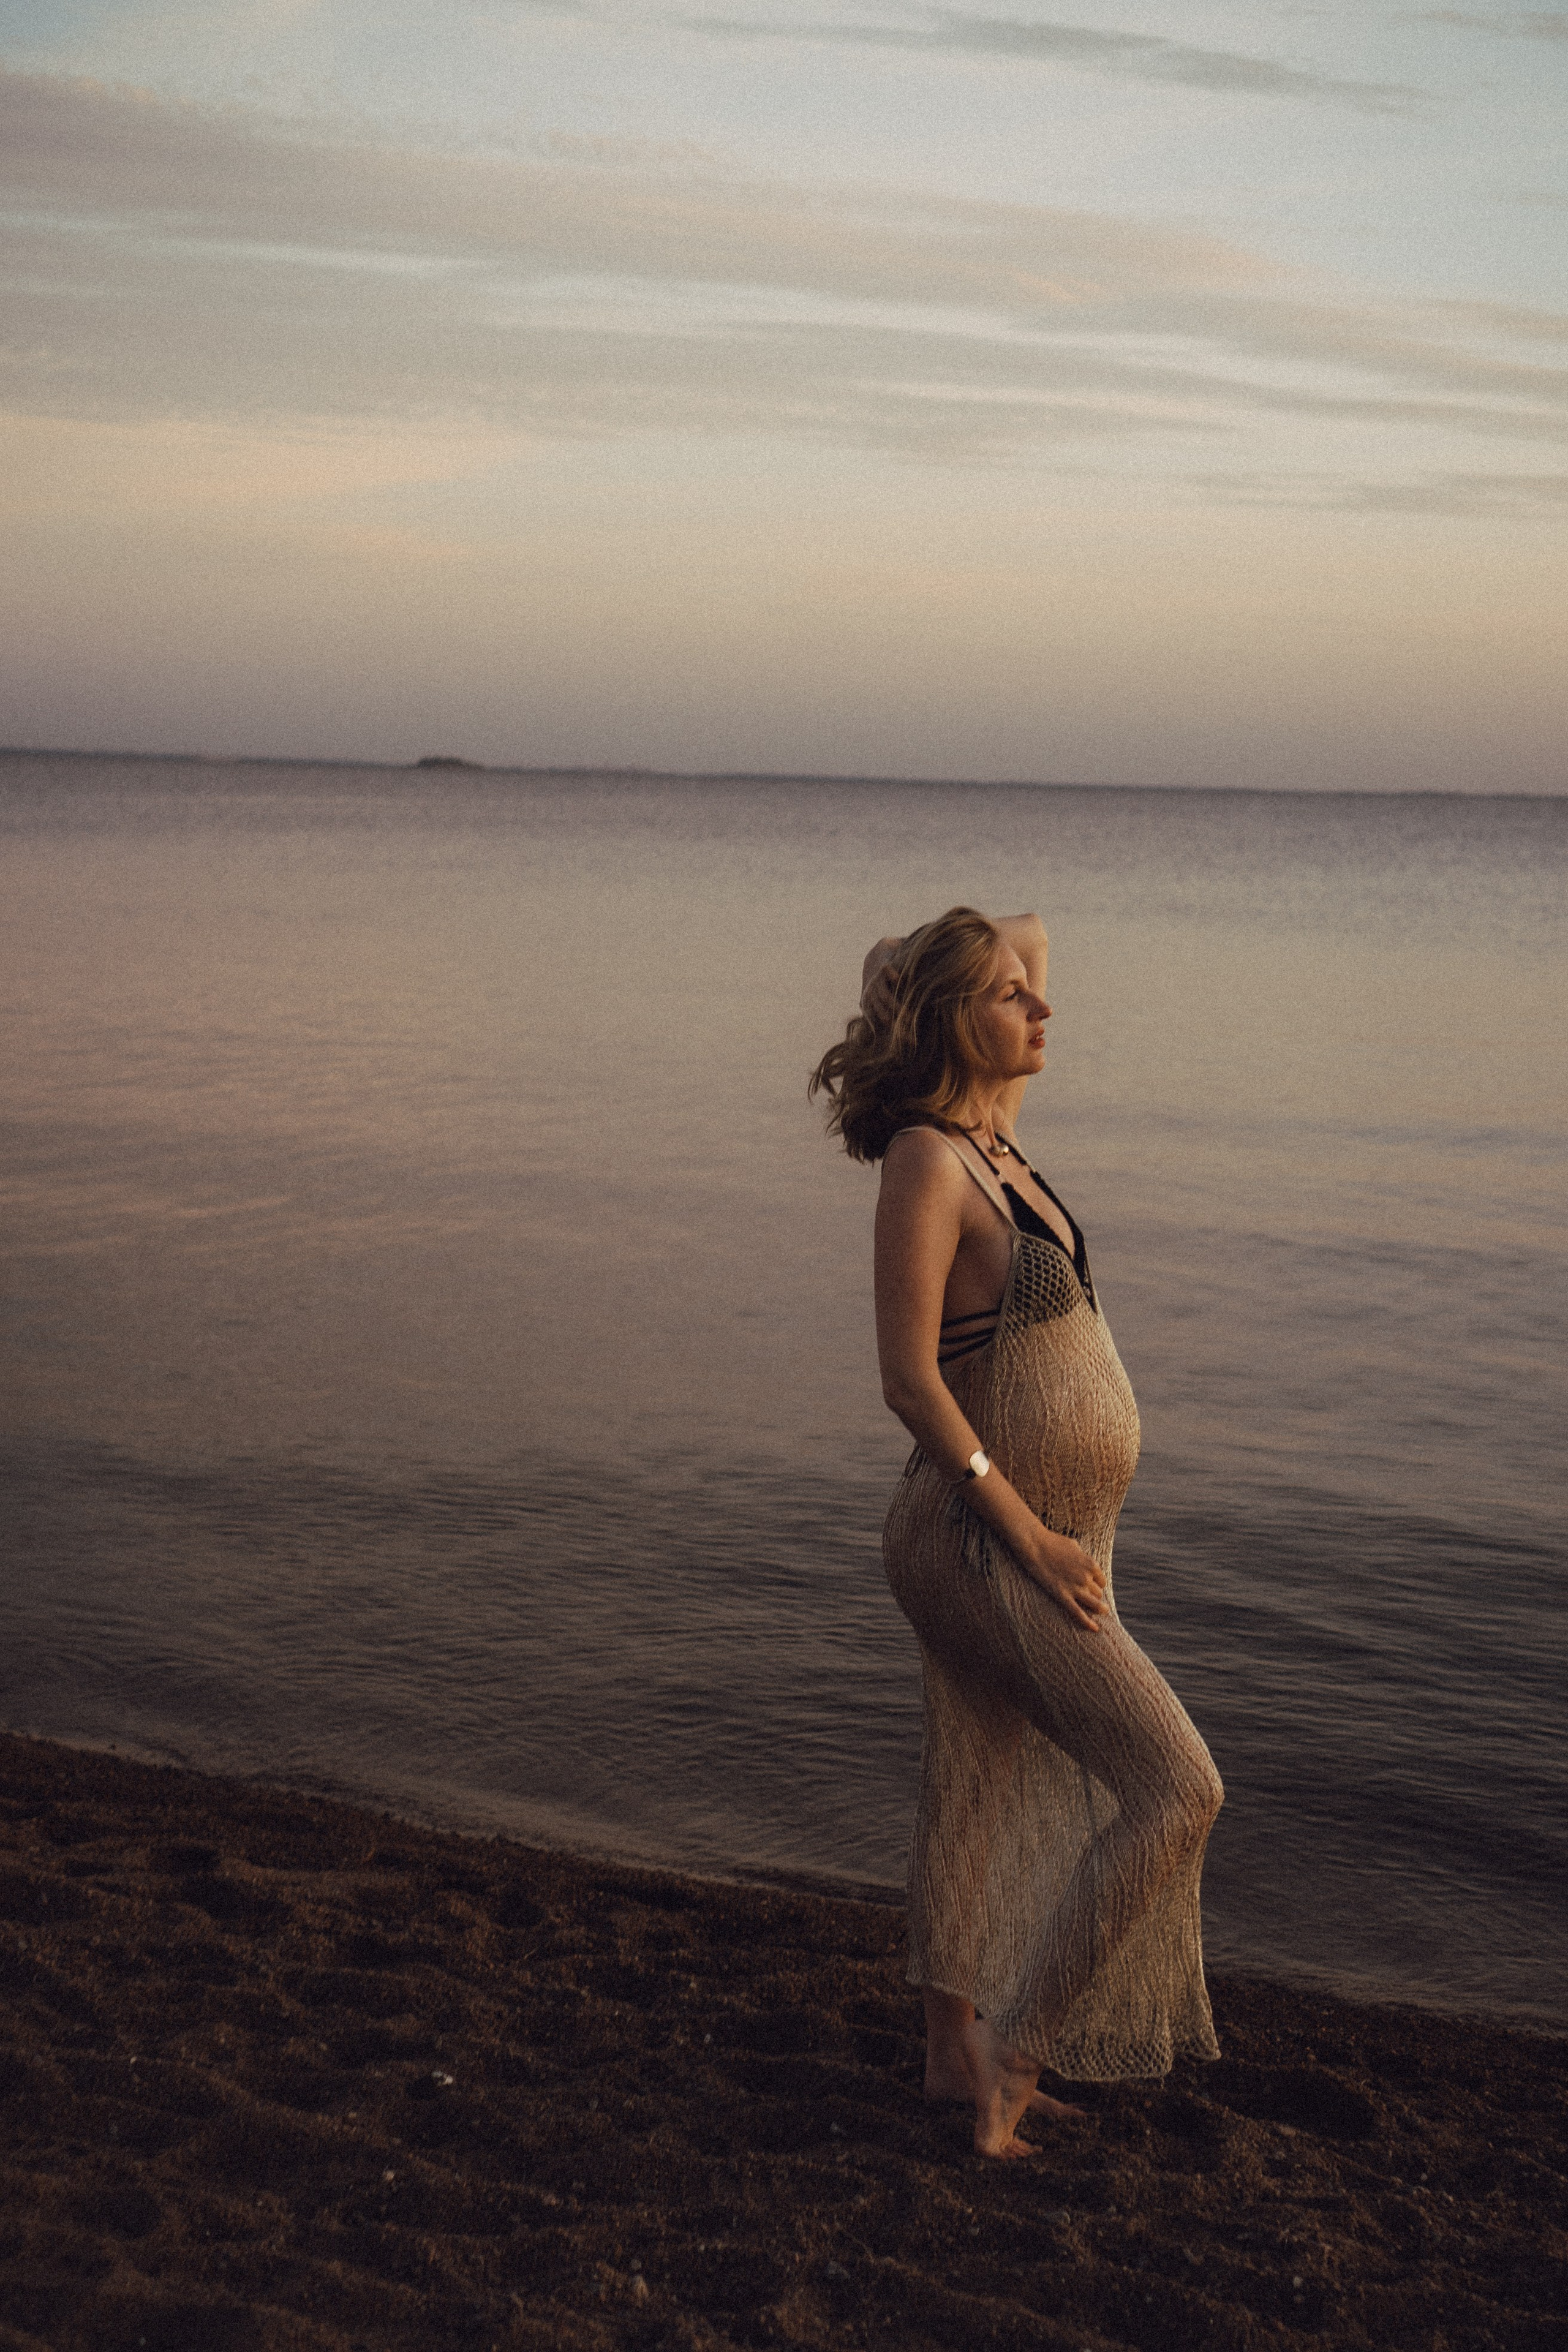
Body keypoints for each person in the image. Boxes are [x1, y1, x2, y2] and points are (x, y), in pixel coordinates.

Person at [810, 907, 1223, 2160]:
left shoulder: (997, 1134)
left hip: (1041, 1536)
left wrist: (952, 967)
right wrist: (1029, 1535)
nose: (1041, 1008)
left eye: (1027, 992)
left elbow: (1021, 933)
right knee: (1178, 1788)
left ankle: (949, 2057)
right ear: (950, 1022)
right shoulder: (929, 1162)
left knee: (973, 1783)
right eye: (1006, 998)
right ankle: (1010, 2062)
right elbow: (906, 1385)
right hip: (980, 1539)